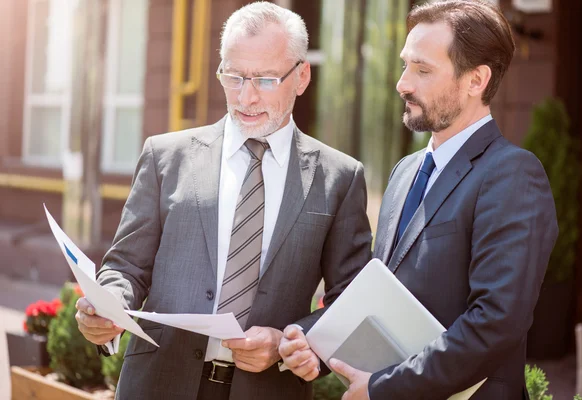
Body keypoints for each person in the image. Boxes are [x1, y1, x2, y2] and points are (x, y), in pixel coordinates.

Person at [74, 2, 372, 399]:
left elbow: (349, 301)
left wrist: (290, 341)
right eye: (233, 77)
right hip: (157, 384)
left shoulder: (340, 178)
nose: (246, 97)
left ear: (301, 77)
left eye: (265, 80)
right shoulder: (166, 156)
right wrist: (109, 302)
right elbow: (126, 265)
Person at [279, 1, 558, 399]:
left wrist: (383, 389)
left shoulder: (513, 174)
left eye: (423, 70)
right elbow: (378, 296)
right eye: (405, 64)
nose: (402, 83)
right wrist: (310, 341)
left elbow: (496, 323)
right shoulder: (405, 171)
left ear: (476, 79)